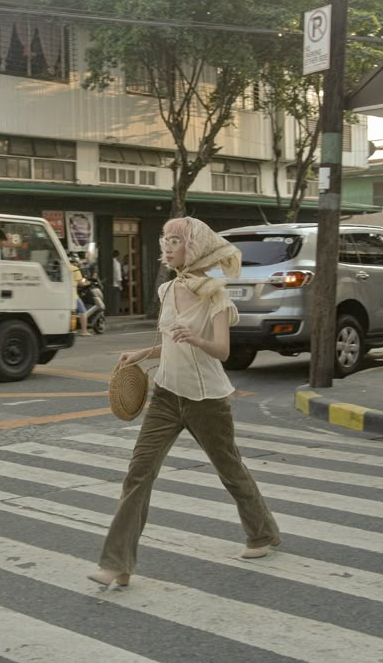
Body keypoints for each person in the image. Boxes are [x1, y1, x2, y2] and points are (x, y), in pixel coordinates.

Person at [88, 217, 280, 588]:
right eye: (164, 238)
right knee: (138, 473)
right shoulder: (166, 291)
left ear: (194, 248)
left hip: (206, 398)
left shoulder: (216, 295)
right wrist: (143, 353)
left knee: (230, 469)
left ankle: (261, 531)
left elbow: (222, 351)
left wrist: (196, 338)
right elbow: (170, 342)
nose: (166, 245)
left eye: (175, 240)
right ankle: (117, 564)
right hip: (165, 394)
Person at [68, 253, 91, 336]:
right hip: (73, 295)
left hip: (63, 295)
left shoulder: (63, 267)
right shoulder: (75, 269)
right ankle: (84, 331)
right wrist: (87, 283)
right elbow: (81, 283)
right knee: (83, 311)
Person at [112, 249, 123, 315]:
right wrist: (120, 285)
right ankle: (116, 312)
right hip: (116, 284)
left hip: (110, 284)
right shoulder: (117, 264)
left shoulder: (110, 263)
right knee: (116, 299)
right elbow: (118, 275)